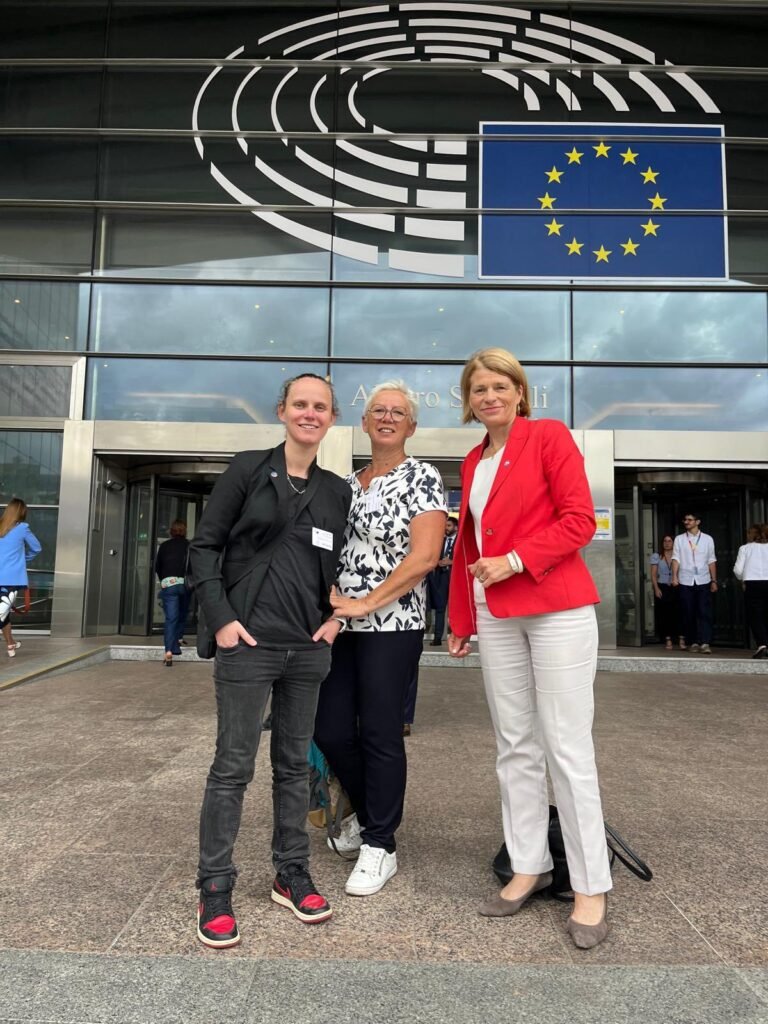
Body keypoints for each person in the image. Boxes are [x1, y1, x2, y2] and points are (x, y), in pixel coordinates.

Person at [447, 347, 611, 950]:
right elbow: (467, 550)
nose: (488, 396)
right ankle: (529, 865)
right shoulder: (471, 461)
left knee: (566, 745)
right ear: (468, 401)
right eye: (478, 389)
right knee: (514, 743)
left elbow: (579, 521)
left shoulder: (547, 437)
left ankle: (591, 885)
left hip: (556, 607)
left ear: (520, 391)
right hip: (494, 614)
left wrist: (514, 561)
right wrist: (461, 618)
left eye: (499, 386)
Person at [188, 373, 351, 948]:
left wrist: (336, 622)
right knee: (232, 767)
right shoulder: (247, 470)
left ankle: (290, 871)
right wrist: (223, 620)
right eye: (300, 404)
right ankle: (215, 886)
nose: (310, 413)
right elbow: (204, 546)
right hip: (248, 646)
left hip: (308, 649)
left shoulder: (337, 490)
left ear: (331, 418)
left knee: (292, 766)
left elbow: (347, 566)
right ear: (282, 411)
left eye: (321, 407)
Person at [314, 380, 446, 896]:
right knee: (329, 729)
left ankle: (380, 845)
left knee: (380, 732)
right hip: (340, 625)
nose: (387, 418)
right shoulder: (347, 483)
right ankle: (372, 817)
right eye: (378, 411)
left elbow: (425, 556)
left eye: (398, 413)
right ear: (364, 423)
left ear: (410, 426)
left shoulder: (423, 477)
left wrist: (367, 602)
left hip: (392, 626)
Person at [0, 498, 41, 658]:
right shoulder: (22, 528)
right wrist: (23, 561)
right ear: (22, 512)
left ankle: (10, 644)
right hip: (11, 580)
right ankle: (10, 643)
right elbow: (37, 548)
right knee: (2, 613)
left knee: (3, 613)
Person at [671, 513, 717, 654]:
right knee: (688, 612)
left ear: (698, 521)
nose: (686, 522)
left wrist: (714, 580)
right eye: (685, 520)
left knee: (704, 612)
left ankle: (705, 642)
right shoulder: (680, 539)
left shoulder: (708, 539)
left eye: (690, 520)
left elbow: (711, 560)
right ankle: (693, 642)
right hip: (686, 580)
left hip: (703, 579)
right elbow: (676, 558)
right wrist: (674, 576)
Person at [155, 519, 190, 667]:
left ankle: (169, 651)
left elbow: (158, 566)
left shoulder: (164, 546)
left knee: (171, 618)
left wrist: (165, 581)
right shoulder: (189, 546)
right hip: (184, 584)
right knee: (182, 613)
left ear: (171, 531)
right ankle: (178, 639)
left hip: (168, 585)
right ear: (184, 531)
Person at [733, 523, 768, 659]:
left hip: (753, 583)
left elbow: (737, 570)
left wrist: (743, 578)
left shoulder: (745, 548)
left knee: (756, 615)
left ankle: (762, 644)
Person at [427, 516, 457, 646]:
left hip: (456, 577)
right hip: (441, 577)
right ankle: (438, 638)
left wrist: (452, 562)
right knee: (440, 608)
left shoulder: (461, 540)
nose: (446, 528)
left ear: (456, 527)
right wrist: (438, 562)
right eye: (445, 526)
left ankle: (458, 636)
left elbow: (467, 558)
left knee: (457, 608)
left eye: (449, 526)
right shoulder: (441, 540)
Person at [650, 535, 681, 650]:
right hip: (662, 586)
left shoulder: (677, 555)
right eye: (665, 541)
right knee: (664, 614)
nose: (667, 543)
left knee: (677, 613)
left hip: (676, 586)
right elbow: (653, 575)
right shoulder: (657, 556)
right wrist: (656, 588)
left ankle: (680, 638)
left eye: (669, 541)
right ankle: (667, 639)